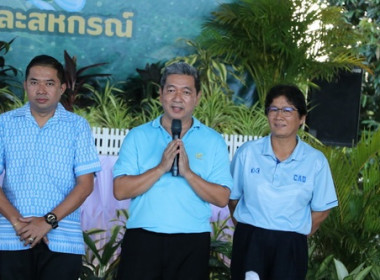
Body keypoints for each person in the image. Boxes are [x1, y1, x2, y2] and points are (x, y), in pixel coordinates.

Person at [113, 62, 233, 280]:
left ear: (197, 97)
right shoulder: (138, 136)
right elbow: (120, 190)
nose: (177, 98)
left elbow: (222, 197)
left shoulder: (213, 141)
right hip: (143, 240)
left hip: (191, 242)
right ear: (160, 95)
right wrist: (160, 168)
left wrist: (188, 173)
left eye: (186, 92)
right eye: (171, 90)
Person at [0, 55, 101, 280]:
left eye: (50, 83)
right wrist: (18, 222)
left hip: (62, 241)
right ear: (25, 85)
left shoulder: (77, 127)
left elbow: (85, 185)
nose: (41, 90)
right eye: (34, 82)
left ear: (62, 87)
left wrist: (47, 222)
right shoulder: (4, 124)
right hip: (10, 237)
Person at [228, 84, 338, 280]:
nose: (279, 116)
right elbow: (233, 198)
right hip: (250, 241)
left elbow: (322, 210)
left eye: (288, 110)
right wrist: (252, 229)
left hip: (291, 245)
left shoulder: (315, 160)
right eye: (273, 109)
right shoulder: (248, 153)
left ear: (302, 118)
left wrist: (294, 231)